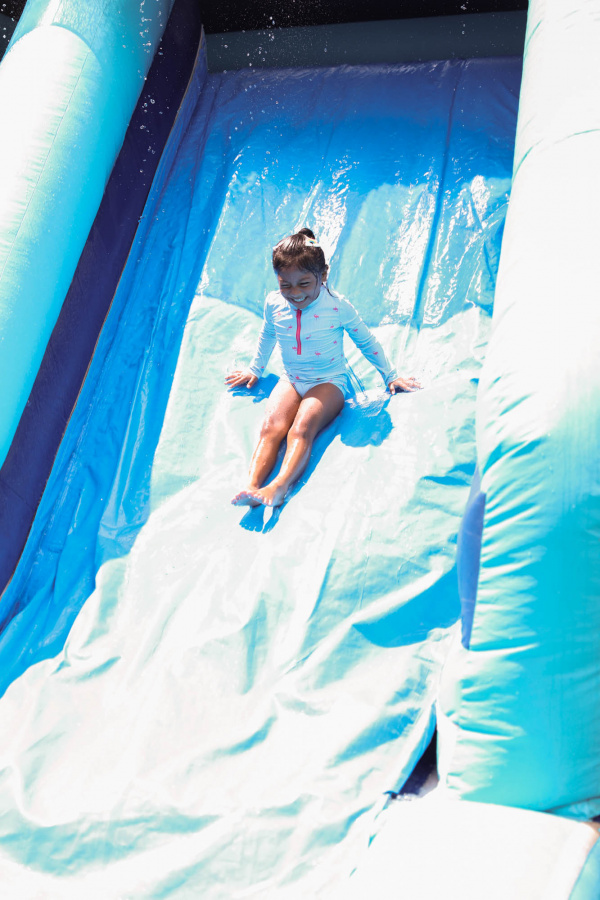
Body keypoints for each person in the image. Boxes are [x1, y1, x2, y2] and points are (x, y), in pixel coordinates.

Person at [226, 228, 421, 508]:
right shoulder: (274, 303)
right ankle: (251, 486)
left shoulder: (337, 307)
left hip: (328, 382)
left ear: (323, 275)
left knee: (301, 428)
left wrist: (391, 376)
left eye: (304, 283)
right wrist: (255, 369)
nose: (295, 293)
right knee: (270, 428)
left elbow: (366, 340)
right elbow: (267, 333)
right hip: (292, 379)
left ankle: (279, 487)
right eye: (285, 285)